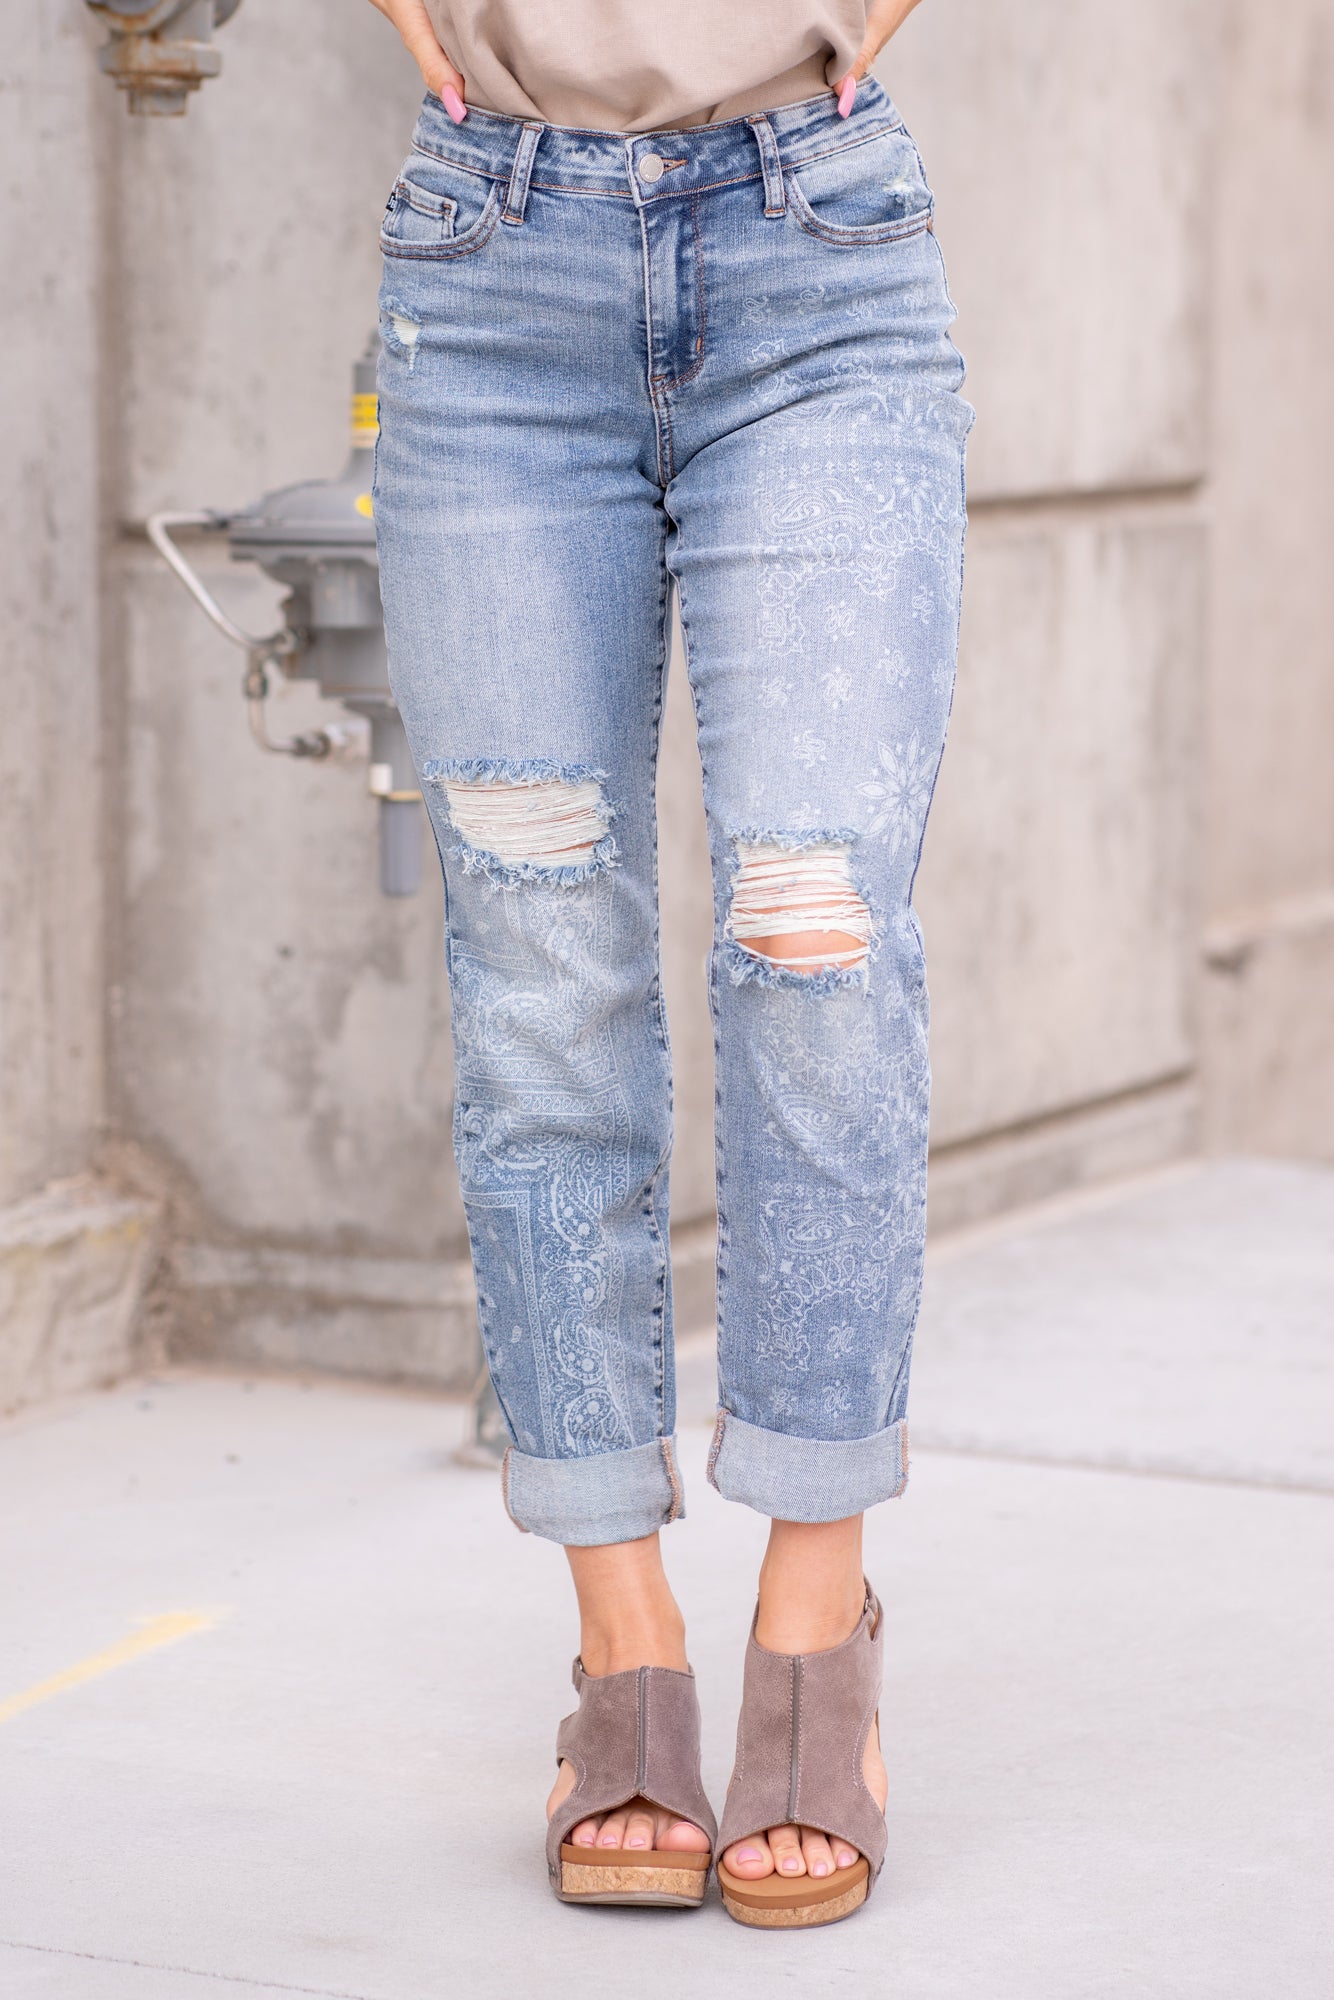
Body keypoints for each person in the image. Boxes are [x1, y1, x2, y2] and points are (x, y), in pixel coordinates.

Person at [366, 0, 970, 1928]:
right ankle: (620, 1643)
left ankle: (814, 1622)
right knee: (542, 979)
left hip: (818, 263)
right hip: (491, 269)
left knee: (816, 939)